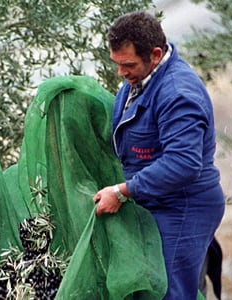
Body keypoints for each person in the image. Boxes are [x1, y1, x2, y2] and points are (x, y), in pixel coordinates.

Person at [93, 11, 225, 299]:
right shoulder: (141, 79)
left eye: (127, 64)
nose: (120, 73)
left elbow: (183, 163)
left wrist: (122, 191)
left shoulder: (178, 93)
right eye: (116, 64)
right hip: (157, 201)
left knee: (168, 292)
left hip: (183, 207)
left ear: (155, 54)